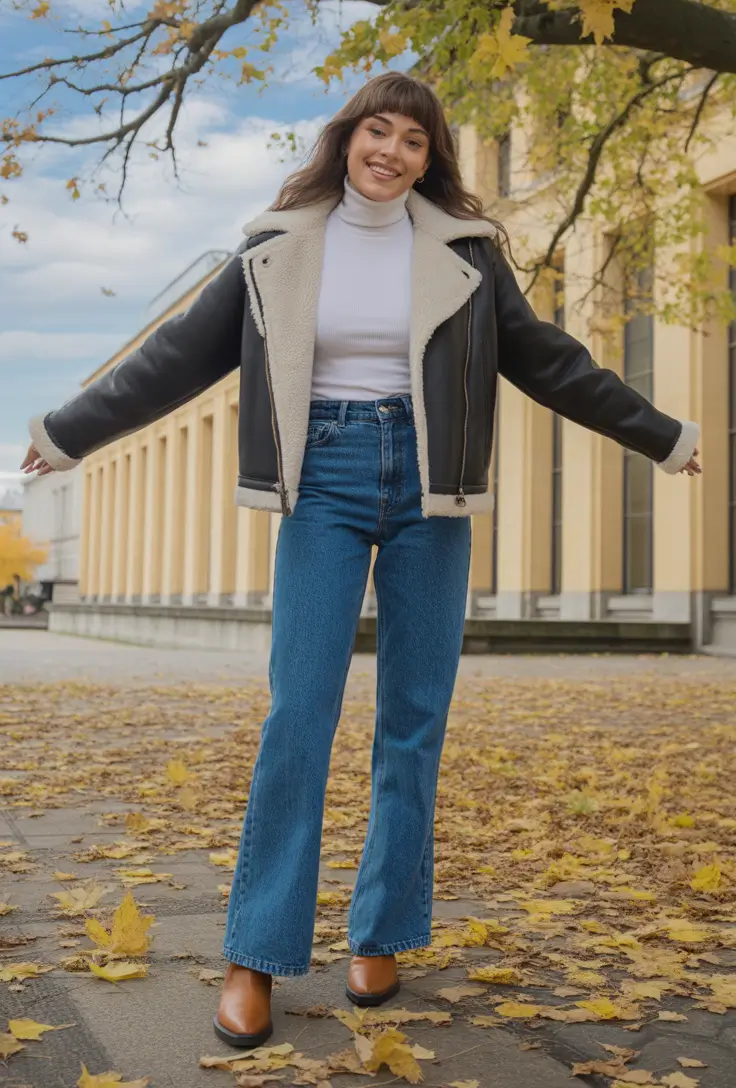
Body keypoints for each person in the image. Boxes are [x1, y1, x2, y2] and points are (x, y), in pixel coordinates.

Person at [21, 71, 701, 1048]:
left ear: (432, 158)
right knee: (299, 713)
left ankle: (380, 930)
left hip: (432, 488)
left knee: (413, 724)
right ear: (346, 139)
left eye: (412, 141)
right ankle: (255, 953)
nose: (390, 151)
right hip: (324, 478)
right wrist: (71, 428)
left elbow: (551, 359)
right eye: (375, 132)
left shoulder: (465, 251)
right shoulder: (278, 247)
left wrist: (662, 435)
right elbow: (178, 353)